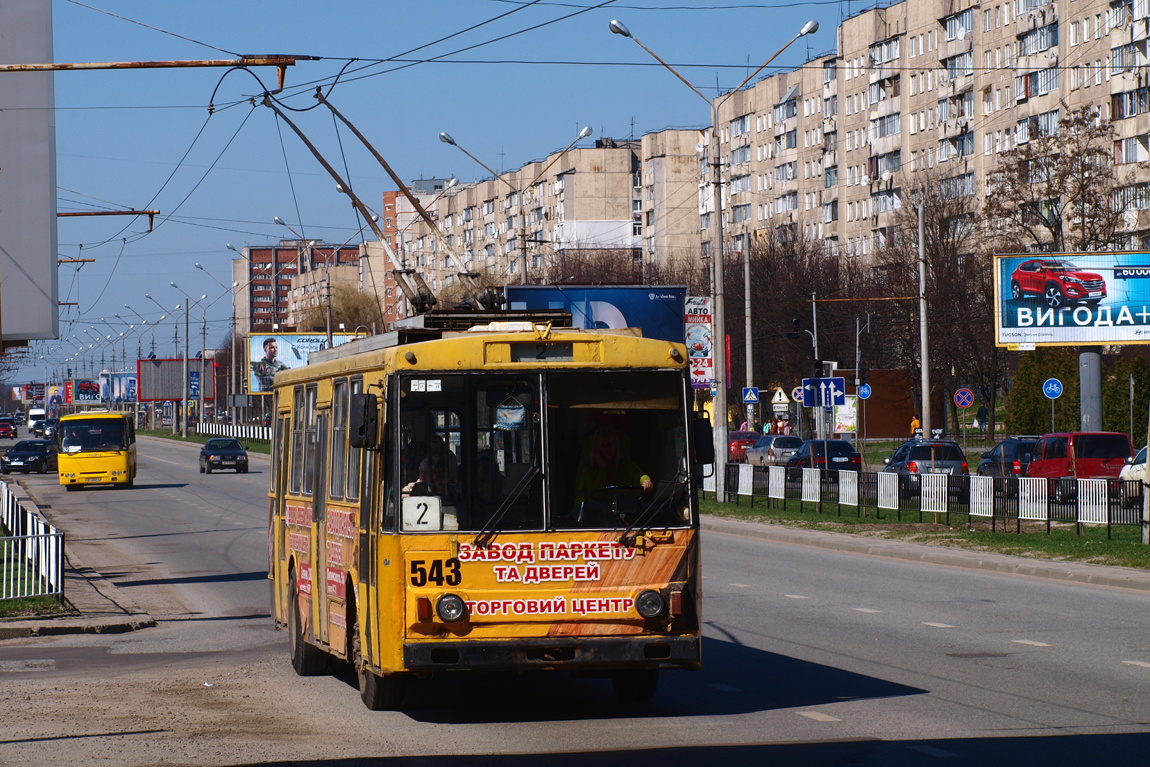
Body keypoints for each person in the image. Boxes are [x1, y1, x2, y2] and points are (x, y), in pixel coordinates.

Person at [573, 426, 653, 508]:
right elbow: (596, 495)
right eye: (603, 445)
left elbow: (640, 475)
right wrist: (603, 468)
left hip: (624, 511)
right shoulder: (587, 470)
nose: (607, 448)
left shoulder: (626, 465)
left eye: (610, 444)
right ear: (596, 448)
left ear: (616, 446)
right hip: (597, 514)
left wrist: (646, 481)